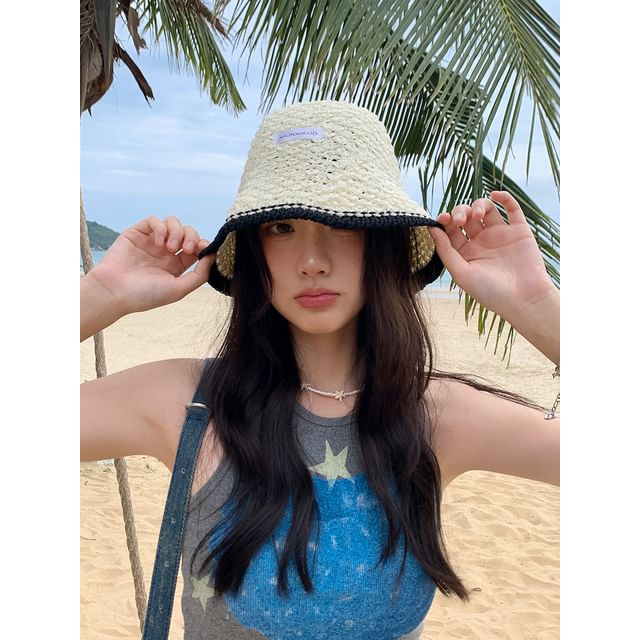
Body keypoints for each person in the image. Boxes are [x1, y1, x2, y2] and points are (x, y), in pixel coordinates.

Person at [81, 101, 559, 639]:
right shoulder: (187, 404)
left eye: (343, 224)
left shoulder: (435, 415)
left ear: (382, 240)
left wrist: (536, 305)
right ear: (255, 247)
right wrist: (100, 295)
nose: (312, 260)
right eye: (282, 227)